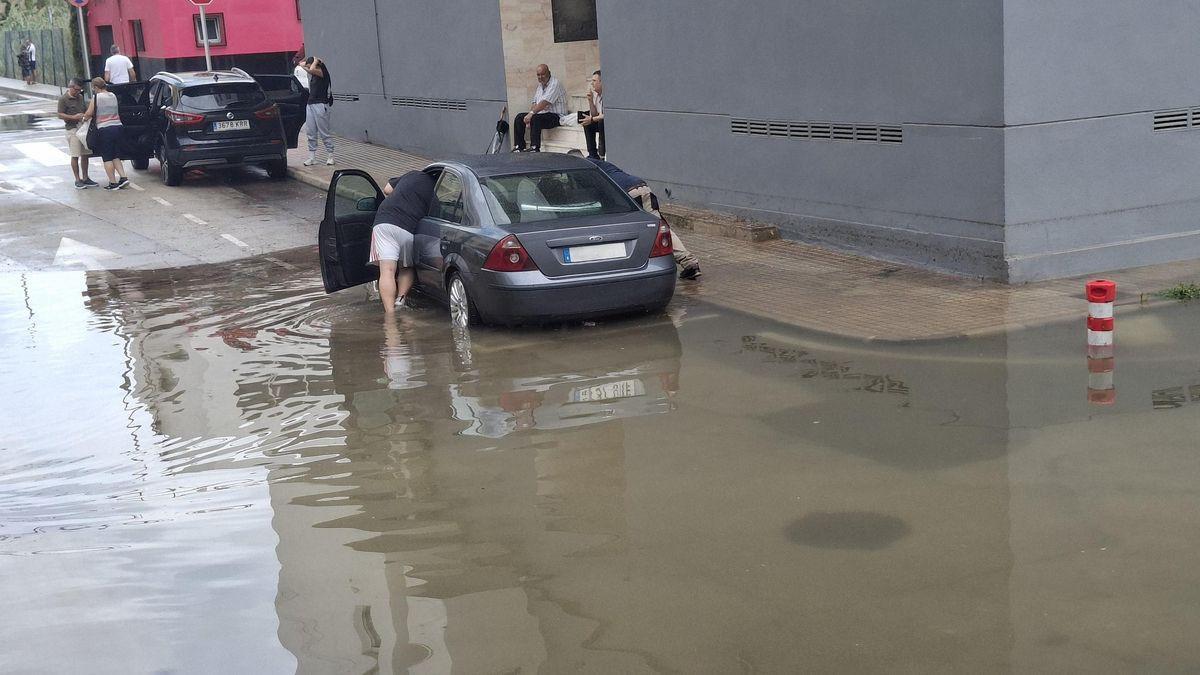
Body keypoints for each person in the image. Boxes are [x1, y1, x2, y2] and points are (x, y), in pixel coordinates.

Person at [585, 157, 702, 280]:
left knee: (626, 230)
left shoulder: (587, 169)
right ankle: (689, 262)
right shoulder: (600, 163)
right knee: (660, 228)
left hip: (625, 193)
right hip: (641, 187)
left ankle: (632, 266)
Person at [368, 170, 436, 312]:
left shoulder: (411, 175)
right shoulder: (433, 192)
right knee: (406, 268)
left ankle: (390, 313)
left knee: (387, 271)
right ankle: (400, 300)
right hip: (407, 227)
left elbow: (387, 189)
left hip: (384, 223)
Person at [81, 77, 130, 191]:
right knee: (115, 154)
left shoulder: (97, 97)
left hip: (104, 129)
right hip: (117, 127)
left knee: (107, 157)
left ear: (96, 87)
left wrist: (84, 118)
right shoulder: (113, 95)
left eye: (94, 88)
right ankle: (123, 177)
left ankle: (112, 183)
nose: (93, 90)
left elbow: (89, 113)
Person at [512, 64, 566, 152]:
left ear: (549, 73)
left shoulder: (555, 83)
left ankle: (535, 147)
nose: (540, 77)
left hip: (556, 116)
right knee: (519, 117)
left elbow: (544, 102)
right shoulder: (540, 86)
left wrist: (531, 114)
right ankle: (519, 146)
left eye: (542, 74)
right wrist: (529, 115)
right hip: (542, 115)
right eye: (538, 75)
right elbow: (535, 103)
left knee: (535, 118)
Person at [58, 78, 98, 189]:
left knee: (85, 154)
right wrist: (72, 117)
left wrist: (85, 116)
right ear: (71, 87)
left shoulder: (80, 97)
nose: (77, 92)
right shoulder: (63, 99)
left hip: (82, 128)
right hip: (72, 128)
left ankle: (85, 177)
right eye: (76, 90)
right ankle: (77, 179)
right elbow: (60, 114)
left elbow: (86, 109)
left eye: (80, 90)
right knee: (75, 154)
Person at [302, 56, 335, 166]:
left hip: (321, 105)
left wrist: (316, 61)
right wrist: (311, 63)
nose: (309, 69)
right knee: (310, 131)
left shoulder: (322, 73)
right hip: (310, 104)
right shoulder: (313, 74)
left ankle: (330, 155)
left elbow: (311, 69)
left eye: (310, 66)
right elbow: (301, 64)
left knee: (323, 131)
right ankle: (312, 157)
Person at [580, 70, 605, 159]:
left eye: (594, 81)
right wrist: (590, 101)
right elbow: (594, 115)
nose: (592, 83)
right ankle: (593, 154)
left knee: (601, 122)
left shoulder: (608, 95)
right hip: (600, 122)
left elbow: (605, 115)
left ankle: (602, 153)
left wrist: (592, 119)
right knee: (587, 123)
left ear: (602, 82)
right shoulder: (597, 95)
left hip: (609, 124)